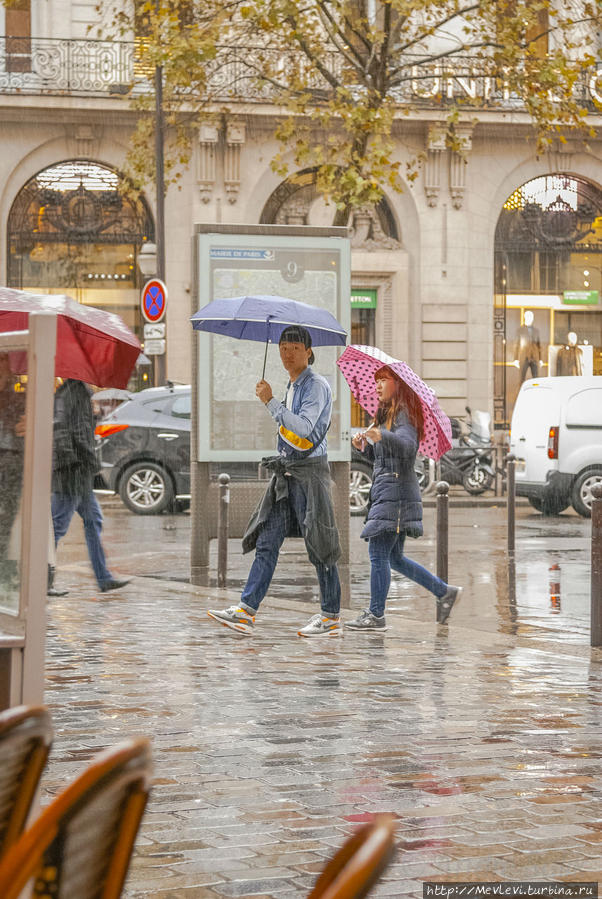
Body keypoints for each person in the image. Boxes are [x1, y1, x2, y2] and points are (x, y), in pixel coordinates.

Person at [207, 325, 342, 637]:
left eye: (295, 347)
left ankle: (332, 617)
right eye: (283, 346)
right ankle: (246, 610)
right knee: (267, 539)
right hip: (288, 474)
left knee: (320, 545)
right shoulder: (293, 384)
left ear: (309, 351)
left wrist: (271, 403)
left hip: (310, 476)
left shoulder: (315, 385)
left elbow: (305, 428)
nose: (287, 352)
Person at [345, 365, 462, 630]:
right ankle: (444, 592)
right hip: (388, 492)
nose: (377, 386)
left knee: (377, 554)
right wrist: (364, 447)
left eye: (382, 381)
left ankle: (376, 615)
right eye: (375, 382)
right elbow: (383, 460)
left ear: (397, 384)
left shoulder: (404, 414)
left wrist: (382, 435)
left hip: (396, 495)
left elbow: (408, 448)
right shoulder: (386, 415)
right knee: (394, 558)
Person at [51, 379, 130, 594]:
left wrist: (94, 416)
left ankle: (103, 577)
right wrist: (86, 460)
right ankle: (41, 579)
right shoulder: (75, 393)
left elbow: (73, 428)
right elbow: (71, 432)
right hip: (72, 472)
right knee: (57, 527)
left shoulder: (70, 392)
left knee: (92, 521)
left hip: (76, 472)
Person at [0, 354, 25, 571]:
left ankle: (5, 568)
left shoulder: (18, 400)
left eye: (2, 359)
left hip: (12, 464)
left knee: (6, 519)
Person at [513, 310, 541, 384]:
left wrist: (540, 359)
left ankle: (536, 393)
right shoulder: (520, 330)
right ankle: (521, 393)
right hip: (523, 356)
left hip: (534, 357)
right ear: (524, 317)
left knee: (536, 378)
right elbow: (516, 344)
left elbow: (539, 346)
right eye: (528, 316)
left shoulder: (536, 331)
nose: (530, 318)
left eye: (531, 316)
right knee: (522, 378)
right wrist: (515, 359)